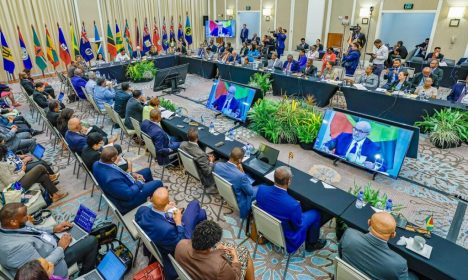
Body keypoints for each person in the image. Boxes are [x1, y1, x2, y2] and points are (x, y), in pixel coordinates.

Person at [0, 203, 98, 277]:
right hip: (55, 263)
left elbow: (33, 231)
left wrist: (54, 229)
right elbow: (40, 269)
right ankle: (85, 274)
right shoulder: (14, 249)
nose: (28, 217)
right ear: (13, 221)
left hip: (51, 245)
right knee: (92, 241)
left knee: (74, 231)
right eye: (24, 215)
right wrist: (61, 247)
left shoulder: (6, 226)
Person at [136, 188, 207, 279]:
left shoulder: (141, 210)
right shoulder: (167, 230)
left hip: (159, 234)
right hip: (176, 245)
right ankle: (204, 236)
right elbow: (181, 243)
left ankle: (202, 225)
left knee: (201, 213)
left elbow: (153, 211)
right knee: (195, 204)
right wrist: (178, 222)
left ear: (151, 200)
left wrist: (164, 208)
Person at [256, 166, 326, 252]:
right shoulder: (293, 205)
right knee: (316, 213)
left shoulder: (261, 189)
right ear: (288, 181)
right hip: (288, 239)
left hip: (266, 229)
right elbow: (298, 226)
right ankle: (312, 243)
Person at [339, 212, 412, 280]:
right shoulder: (400, 264)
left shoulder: (349, 234)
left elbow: (340, 254)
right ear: (393, 235)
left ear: (369, 223)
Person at [175, 220, 255, 280]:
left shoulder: (181, 244)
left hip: (192, 274)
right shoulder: (221, 267)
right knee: (245, 253)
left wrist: (216, 250)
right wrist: (235, 258)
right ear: (211, 245)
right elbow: (235, 277)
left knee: (230, 247)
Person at [93, 146, 163, 214]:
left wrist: (132, 174)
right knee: (158, 183)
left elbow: (118, 172)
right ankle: (160, 205)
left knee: (147, 171)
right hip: (127, 202)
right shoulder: (112, 180)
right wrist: (139, 183)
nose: (119, 158)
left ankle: (151, 197)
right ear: (112, 159)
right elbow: (128, 194)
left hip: (124, 185)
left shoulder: (96, 163)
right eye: (117, 156)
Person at [0, 144, 68, 202]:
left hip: (15, 182)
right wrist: (22, 171)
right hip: (14, 188)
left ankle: (55, 195)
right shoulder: (1, 166)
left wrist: (20, 167)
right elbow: (10, 182)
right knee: (39, 167)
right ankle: (50, 176)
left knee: (43, 176)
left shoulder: (2, 164)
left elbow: (11, 171)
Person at [214, 147, 256, 220]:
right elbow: (250, 192)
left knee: (249, 177)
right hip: (239, 202)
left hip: (225, 194)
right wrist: (242, 172)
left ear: (230, 154)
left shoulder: (217, 165)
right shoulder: (241, 176)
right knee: (263, 186)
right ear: (239, 160)